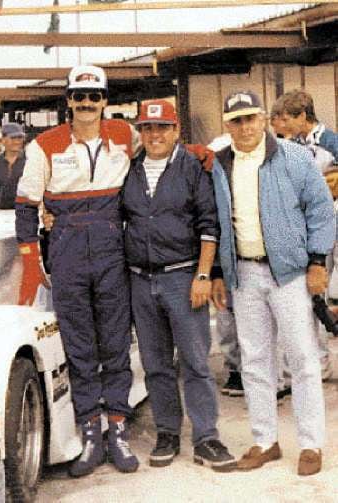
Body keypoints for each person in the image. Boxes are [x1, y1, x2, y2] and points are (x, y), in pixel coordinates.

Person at [15, 65, 141, 477]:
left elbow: (158, 153)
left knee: (115, 341)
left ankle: (118, 428)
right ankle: (90, 432)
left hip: (111, 245)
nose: (87, 104)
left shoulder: (124, 135)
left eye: (94, 97)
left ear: (105, 101)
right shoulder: (44, 145)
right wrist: (32, 261)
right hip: (67, 248)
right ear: (68, 100)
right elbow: (26, 204)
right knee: (80, 344)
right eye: (79, 96)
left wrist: (202, 154)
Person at [210, 90, 334, 476]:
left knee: (303, 358)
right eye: (236, 120)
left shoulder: (294, 158)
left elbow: (320, 209)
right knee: (255, 359)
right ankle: (265, 440)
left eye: (251, 118)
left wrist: (317, 261)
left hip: (291, 274)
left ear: (263, 119)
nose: (245, 127)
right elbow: (213, 221)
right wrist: (217, 272)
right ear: (227, 125)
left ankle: (311, 443)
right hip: (244, 275)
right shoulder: (219, 164)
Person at [122, 100, 236, 471]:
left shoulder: (193, 167)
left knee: (196, 362)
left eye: (162, 128)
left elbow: (208, 224)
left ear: (176, 131)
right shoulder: (130, 169)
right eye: (148, 129)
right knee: (155, 364)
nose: (154, 136)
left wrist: (203, 274)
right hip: (140, 278)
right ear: (141, 132)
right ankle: (167, 432)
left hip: (183, 276)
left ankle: (206, 438)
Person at [279, 89, 338, 160]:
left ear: (302, 116)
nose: (283, 125)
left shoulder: (332, 143)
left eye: (286, 120)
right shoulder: (292, 144)